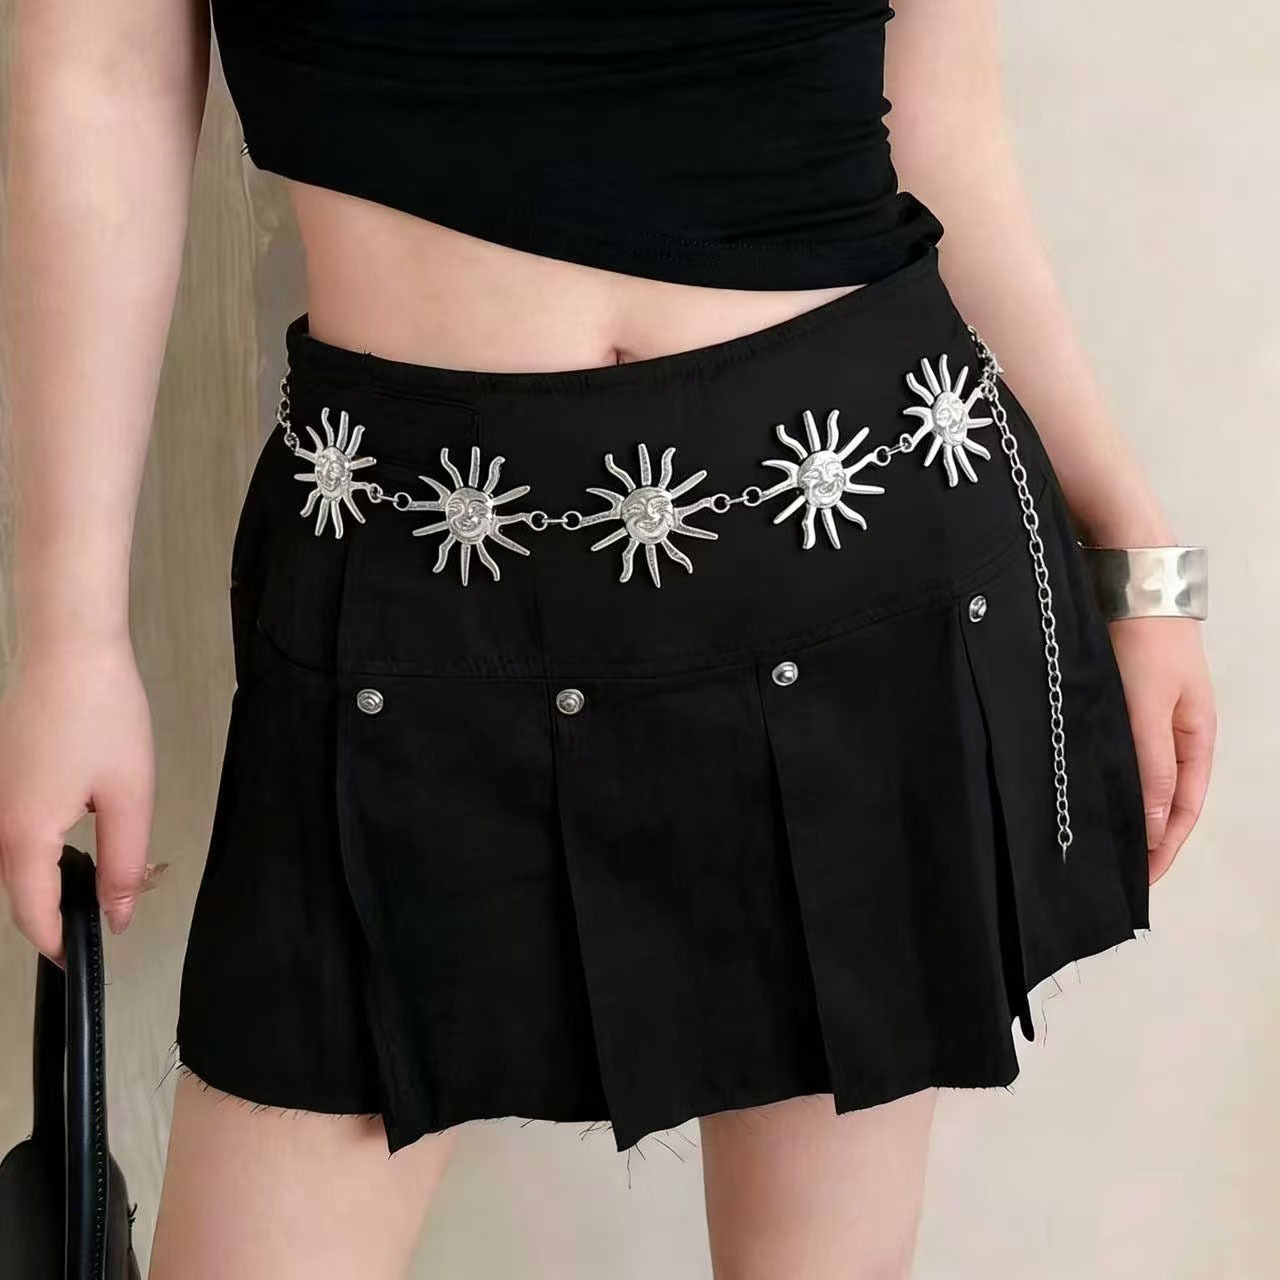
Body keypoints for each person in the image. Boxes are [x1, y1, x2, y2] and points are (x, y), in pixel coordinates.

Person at [0, 1, 1215, 1277]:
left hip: (854, 558)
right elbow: (99, 78)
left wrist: (1137, 554)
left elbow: (938, 119)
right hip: (408, 598)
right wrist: (70, 635)